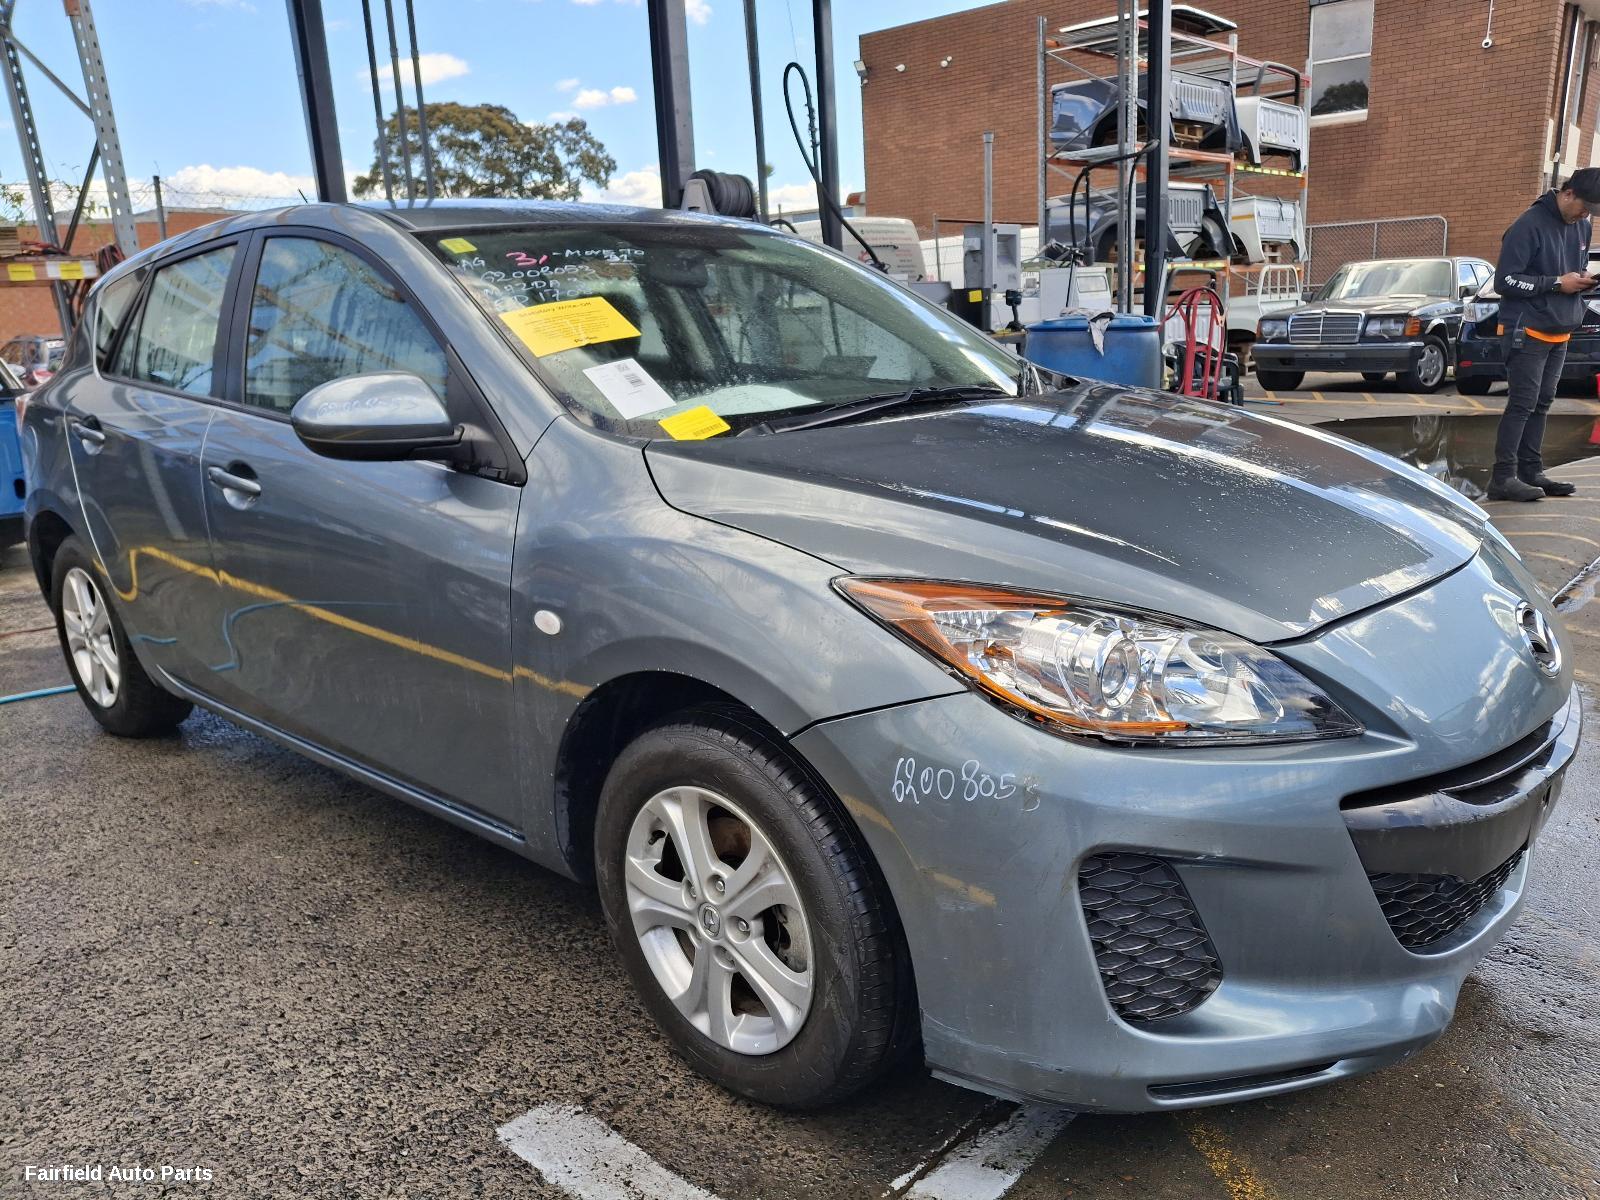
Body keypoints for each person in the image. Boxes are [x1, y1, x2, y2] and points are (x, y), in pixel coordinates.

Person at [1489, 169, 1600, 501]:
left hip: (1559, 328)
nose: (1586, 215)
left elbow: (1570, 268)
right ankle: (1503, 478)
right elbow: (1504, 282)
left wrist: (1582, 278)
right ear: (1567, 194)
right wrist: (1555, 282)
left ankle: (1531, 472)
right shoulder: (1528, 225)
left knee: (1542, 403)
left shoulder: (1582, 224)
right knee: (1522, 403)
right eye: (1584, 207)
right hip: (1527, 329)